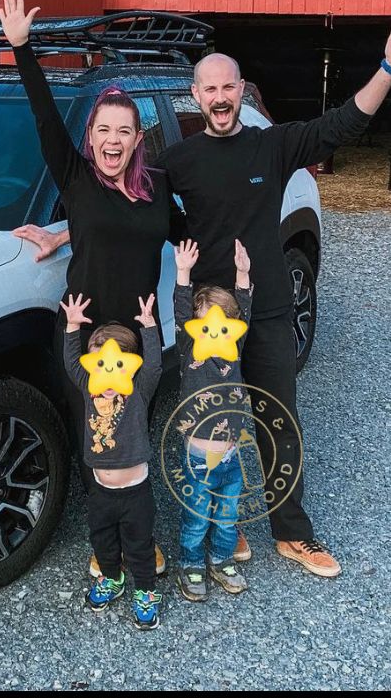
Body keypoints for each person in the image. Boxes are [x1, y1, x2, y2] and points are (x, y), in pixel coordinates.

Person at [16, 29, 391, 576]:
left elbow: (344, 122)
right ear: (196, 95)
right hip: (204, 314)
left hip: (263, 309)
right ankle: (215, 525)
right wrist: (61, 232)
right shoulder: (180, 161)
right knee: (208, 421)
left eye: (228, 87)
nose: (219, 97)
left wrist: (385, 69)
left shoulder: (275, 144)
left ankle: (293, 533)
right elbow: (122, 203)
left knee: (276, 414)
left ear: (241, 90)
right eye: (209, 89)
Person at [0, 0, 185, 577]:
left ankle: (139, 538)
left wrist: (236, 268)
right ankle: (105, 544)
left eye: (122, 131)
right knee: (93, 430)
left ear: (136, 139)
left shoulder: (154, 190)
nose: (112, 139)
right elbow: (44, 116)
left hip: (137, 334)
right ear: (93, 136)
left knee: (135, 431)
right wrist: (23, 51)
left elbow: (185, 238)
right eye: (103, 129)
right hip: (81, 327)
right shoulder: (77, 179)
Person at [62, 290, 163, 629]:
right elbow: (72, 363)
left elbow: (155, 365)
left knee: (139, 545)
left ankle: (146, 591)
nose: (106, 376)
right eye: (99, 363)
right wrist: (72, 327)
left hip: (136, 493)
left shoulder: (139, 391)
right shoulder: (89, 389)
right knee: (102, 540)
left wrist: (149, 326)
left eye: (116, 364)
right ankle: (112, 578)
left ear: (129, 367)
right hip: (101, 491)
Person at [173, 238, 252, 601]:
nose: (215, 332)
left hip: (232, 456)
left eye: (223, 325)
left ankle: (221, 560)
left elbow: (245, 311)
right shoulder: (191, 350)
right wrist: (183, 272)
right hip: (198, 456)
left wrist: (243, 273)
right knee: (197, 515)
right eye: (205, 324)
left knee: (227, 516)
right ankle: (190, 565)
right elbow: (180, 311)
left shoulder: (233, 353)